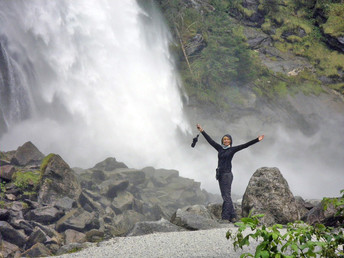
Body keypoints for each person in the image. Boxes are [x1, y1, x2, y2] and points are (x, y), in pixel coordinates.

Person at [196, 124, 264, 223]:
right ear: (222, 141)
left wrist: (257, 140)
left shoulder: (232, 149)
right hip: (220, 175)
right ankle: (233, 217)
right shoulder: (219, 148)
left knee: (226, 196)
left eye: (228, 139)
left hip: (227, 175)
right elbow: (210, 141)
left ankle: (225, 217)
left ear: (230, 141)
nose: (226, 140)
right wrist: (202, 131)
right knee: (226, 196)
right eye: (224, 139)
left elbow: (245, 145)